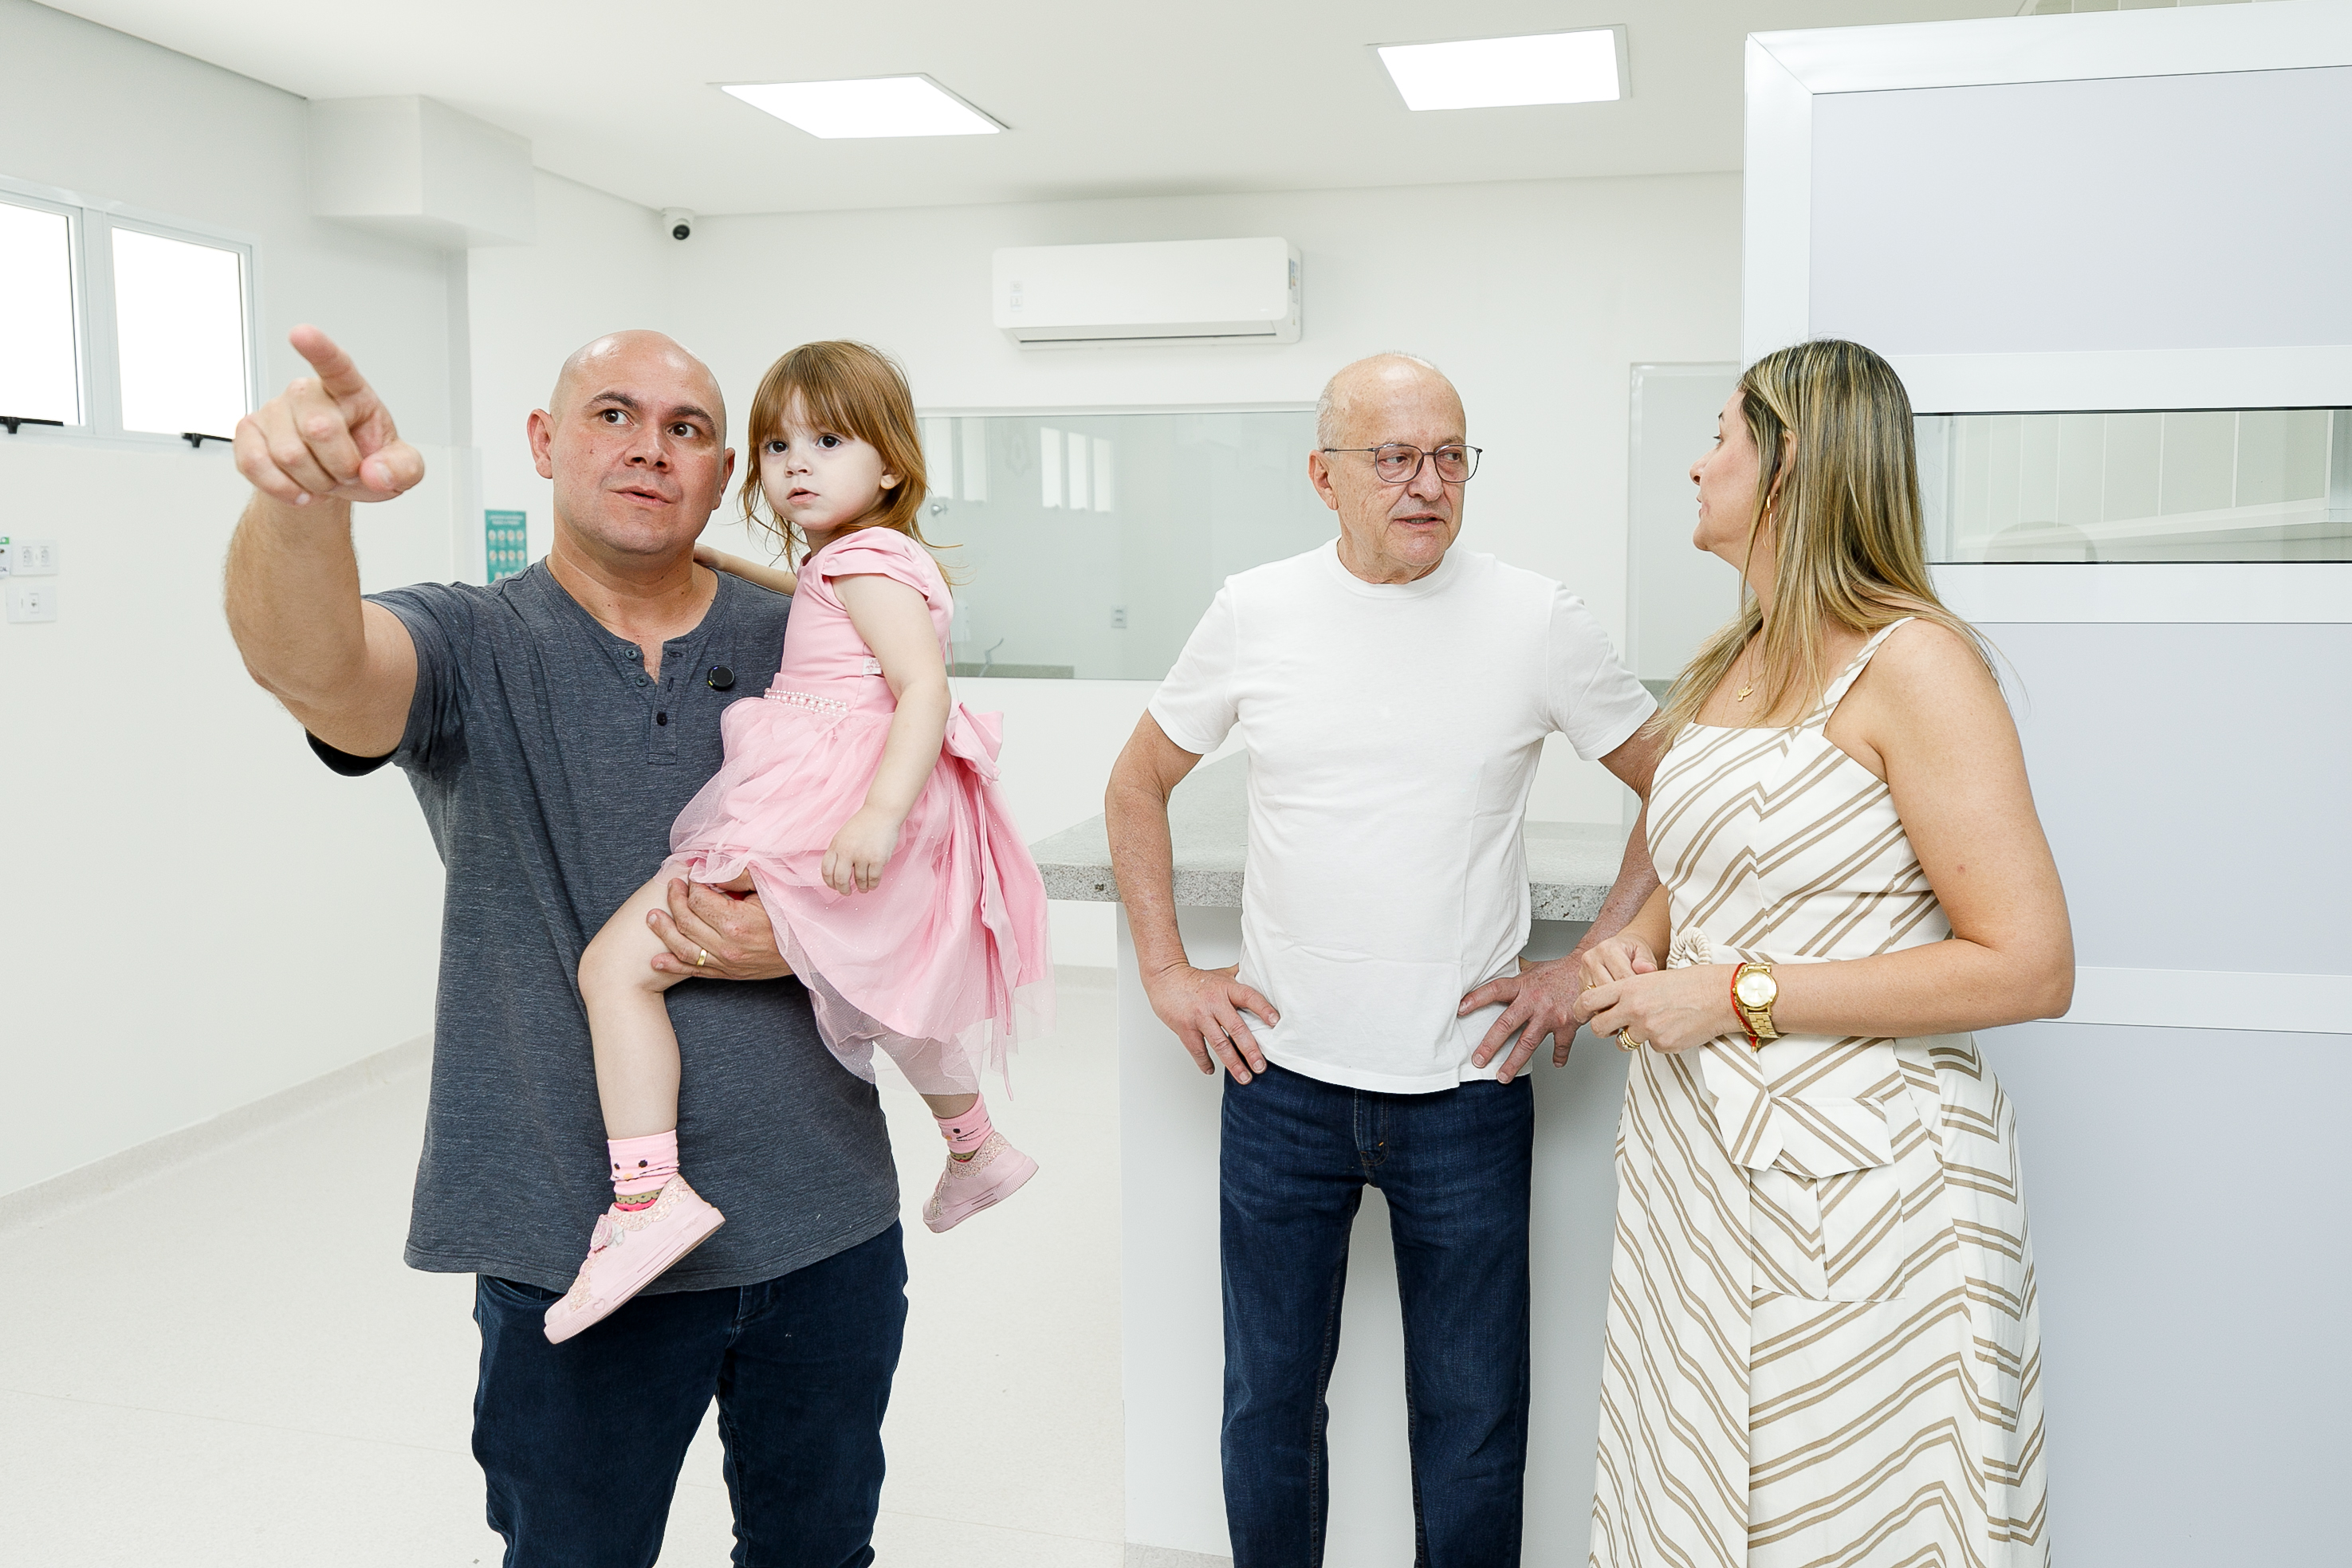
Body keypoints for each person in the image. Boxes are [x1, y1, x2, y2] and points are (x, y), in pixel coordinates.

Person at [225, 325, 907, 1567]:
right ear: (544, 442)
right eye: (611, 414)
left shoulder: (809, 636)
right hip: (574, 1241)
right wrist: (300, 505)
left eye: (687, 428)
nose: (650, 447)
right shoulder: (470, 642)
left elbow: (940, 869)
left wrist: (802, 935)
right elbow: (316, 668)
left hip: (826, 1228)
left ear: (724, 472)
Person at [1104, 352, 1667, 1567]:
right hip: (1279, 1079)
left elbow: (1682, 788)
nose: (1427, 483)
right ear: (1324, 476)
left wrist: (1591, 961)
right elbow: (1137, 781)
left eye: (1450, 455)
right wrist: (1164, 969)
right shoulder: (1255, 608)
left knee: (1472, 1419)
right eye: (1394, 457)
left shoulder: (1535, 616)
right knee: (1266, 1401)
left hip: (1466, 1086)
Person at [1575, 338, 2066, 1566]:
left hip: (1863, 1193)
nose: (1697, 465)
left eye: (1721, 440)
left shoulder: (1916, 663)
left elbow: (2026, 963)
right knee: (1693, 1503)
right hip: (1698, 1174)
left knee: (1842, 1521)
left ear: (1787, 464)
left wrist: (1734, 994)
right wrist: (1635, 946)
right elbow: (1697, 871)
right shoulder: (1728, 657)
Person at [552, 340, 1052, 1341]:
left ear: (892, 466)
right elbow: (809, 593)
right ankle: (974, 1143)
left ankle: (646, 1195)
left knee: (614, 967)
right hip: (848, 794)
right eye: (778, 445)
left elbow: (923, 688)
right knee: (873, 979)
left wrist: (874, 815)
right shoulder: (865, 559)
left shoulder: (861, 560)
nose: (795, 464)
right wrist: (719, 562)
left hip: (820, 799)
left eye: (827, 441)